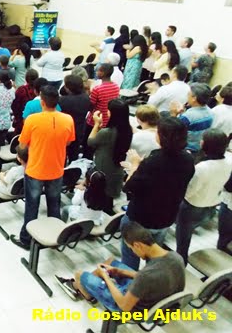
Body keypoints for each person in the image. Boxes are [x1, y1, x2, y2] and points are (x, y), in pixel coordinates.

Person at [56, 221, 185, 312]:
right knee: (111, 262)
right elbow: (149, 278)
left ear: (138, 245)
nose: (133, 253)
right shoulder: (175, 257)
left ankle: (84, 291)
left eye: (131, 249)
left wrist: (105, 277)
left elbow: (124, 306)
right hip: (151, 296)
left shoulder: (146, 276)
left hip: (131, 307)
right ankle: (85, 287)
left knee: (79, 274)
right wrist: (120, 271)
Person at [120, 117, 195, 269]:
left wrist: (135, 166)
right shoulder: (188, 159)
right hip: (166, 217)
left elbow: (129, 187)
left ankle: (129, 284)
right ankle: (151, 278)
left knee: (130, 255)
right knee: (154, 253)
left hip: (140, 218)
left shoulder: (153, 161)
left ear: (162, 137)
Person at [11, 86, 75, 250]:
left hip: (35, 169)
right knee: (54, 204)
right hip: (57, 168)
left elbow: (22, 145)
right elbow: (68, 142)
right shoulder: (68, 119)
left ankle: (26, 239)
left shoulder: (32, 120)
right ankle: (55, 238)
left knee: (32, 206)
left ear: (42, 102)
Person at [176, 129, 232, 264]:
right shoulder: (229, 162)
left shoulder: (202, 167)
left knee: (183, 236)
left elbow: (190, 191)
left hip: (193, 205)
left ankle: (181, 260)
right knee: (197, 222)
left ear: (204, 144)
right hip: (214, 201)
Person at [88, 99, 132, 213]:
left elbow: (91, 142)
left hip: (104, 167)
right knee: (109, 197)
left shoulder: (107, 132)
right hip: (117, 168)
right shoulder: (128, 130)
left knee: (100, 196)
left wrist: (96, 124)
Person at [83, 63, 120, 159]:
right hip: (108, 119)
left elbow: (90, 105)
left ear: (103, 73)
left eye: (98, 70)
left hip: (95, 120)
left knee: (88, 144)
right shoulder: (116, 86)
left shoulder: (97, 89)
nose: (96, 72)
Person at [170, 83, 214, 154]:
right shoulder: (210, 112)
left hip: (186, 150)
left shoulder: (187, 117)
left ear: (194, 98)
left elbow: (171, 131)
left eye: (188, 94)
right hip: (200, 148)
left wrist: (174, 113)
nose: (187, 96)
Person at [60, 75, 92, 163]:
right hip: (79, 129)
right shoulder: (86, 98)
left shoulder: (63, 100)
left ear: (68, 88)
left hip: (65, 130)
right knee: (74, 154)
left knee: (62, 153)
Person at [11, 69, 39, 135]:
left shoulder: (21, 90)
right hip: (38, 121)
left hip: (22, 121)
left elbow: (14, 106)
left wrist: (18, 118)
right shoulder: (39, 89)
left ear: (26, 79)